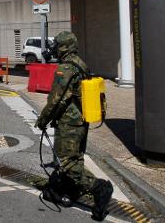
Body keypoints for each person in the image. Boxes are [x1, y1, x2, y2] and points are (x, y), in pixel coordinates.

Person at [35, 31, 113, 221]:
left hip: (69, 123)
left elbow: (57, 100)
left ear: (64, 47)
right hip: (81, 120)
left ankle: (99, 188)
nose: (54, 49)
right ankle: (72, 188)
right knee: (76, 158)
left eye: (57, 46)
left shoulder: (66, 68)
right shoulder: (80, 63)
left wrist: (43, 120)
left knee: (67, 162)